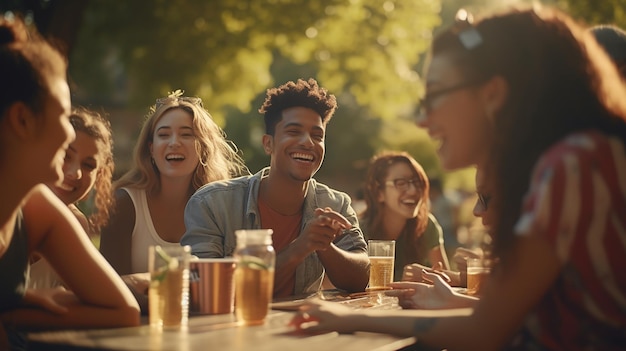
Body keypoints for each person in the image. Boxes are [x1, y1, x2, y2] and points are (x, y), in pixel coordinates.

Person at [290, 7, 626, 350]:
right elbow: (504, 318)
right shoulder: (575, 159)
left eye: (434, 96)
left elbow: (485, 331)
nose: (424, 120)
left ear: (493, 94)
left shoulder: (573, 164)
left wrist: (351, 318)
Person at [0, 16, 139, 349]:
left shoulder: (38, 210)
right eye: (62, 114)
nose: (68, 131)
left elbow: (123, 311)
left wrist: (12, 311)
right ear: (22, 119)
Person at [181, 78, 369, 298]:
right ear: (268, 143)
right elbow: (204, 290)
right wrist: (298, 249)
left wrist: (324, 245)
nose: (308, 142)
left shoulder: (335, 204)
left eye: (317, 135)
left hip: (302, 328)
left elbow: (360, 279)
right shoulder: (212, 204)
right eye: (294, 132)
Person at [99, 90, 248, 275]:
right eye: (164, 135)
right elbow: (110, 288)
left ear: (203, 148)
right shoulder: (123, 204)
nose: (174, 142)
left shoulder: (221, 207)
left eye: (186, 134)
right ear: (151, 149)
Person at [29, 107, 115, 289]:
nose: (75, 173)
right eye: (65, 156)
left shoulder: (76, 223)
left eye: (88, 165)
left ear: (98, 175)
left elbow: (87, 295)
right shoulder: (9, 209)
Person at [360, 151, 449, 281]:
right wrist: (400, 278)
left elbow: (446, 281)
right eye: (401, 183)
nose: (413, 190)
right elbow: (339, 288)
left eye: (417, 182)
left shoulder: (426, 224)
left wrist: (430, 276)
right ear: (379, 192)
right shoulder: (358, 233)